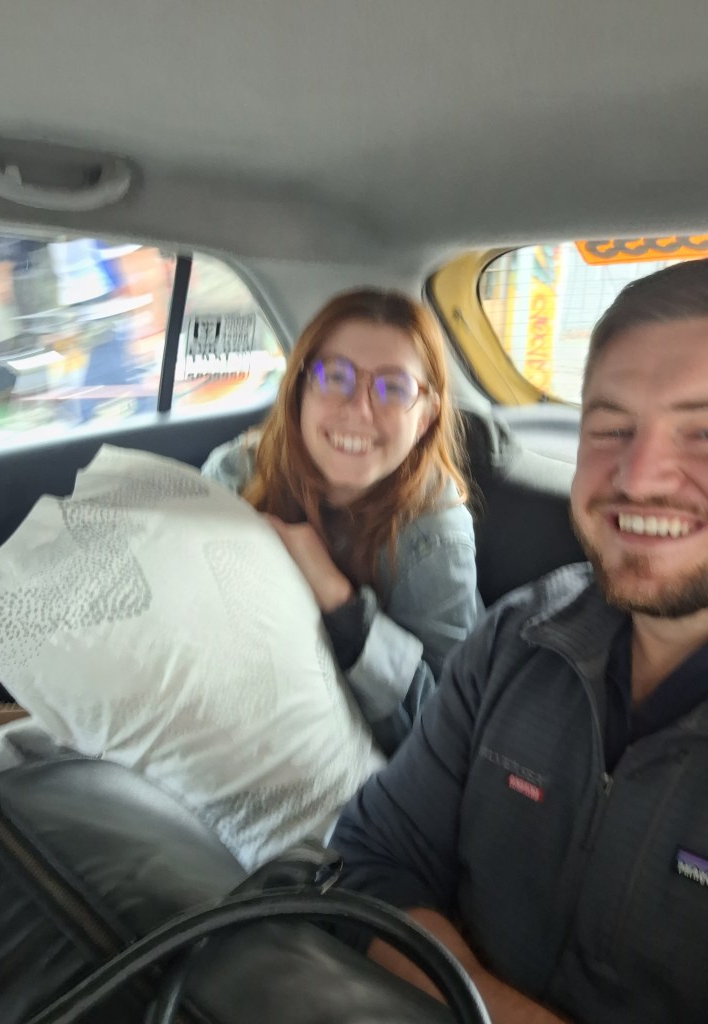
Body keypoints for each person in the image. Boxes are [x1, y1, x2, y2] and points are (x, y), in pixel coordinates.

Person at [330, 258, 708, 1024]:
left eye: (702, 432)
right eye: (610, 428)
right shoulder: (518, 637)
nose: (639, 477)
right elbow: (371, 862)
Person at [201, 288, 479, 756]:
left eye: (394, 388)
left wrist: (340, 602)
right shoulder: (237, 474)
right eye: (335, 377)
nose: (359, 410)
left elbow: (445, 728)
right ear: (300, 390)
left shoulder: (435, 535)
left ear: (426, 417)